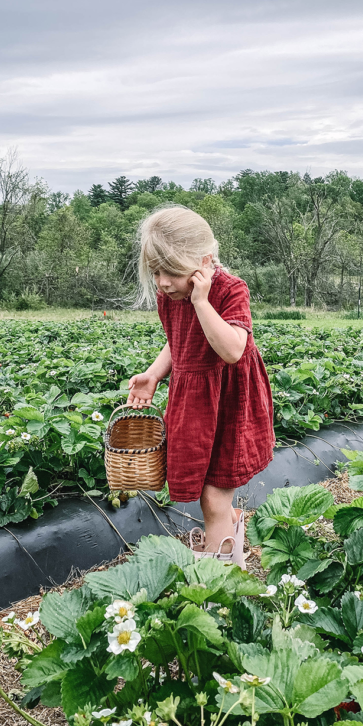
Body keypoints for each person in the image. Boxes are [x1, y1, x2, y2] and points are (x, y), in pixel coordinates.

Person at [127, 205, 275, 567]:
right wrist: (154, 374)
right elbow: (180, 339)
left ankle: (219, 579)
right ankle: (230, 530)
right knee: (204, 485)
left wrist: (201, 300)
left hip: (229, 401)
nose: (162, 282)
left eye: (171, 272)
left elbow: (232, 349)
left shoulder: (229, 290)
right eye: (156, 271)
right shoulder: (172, 294)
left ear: (205, 261)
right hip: (194, 402)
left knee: (213, 496)